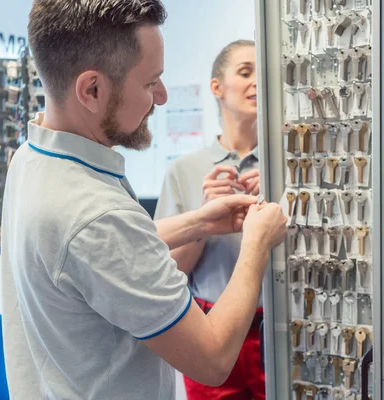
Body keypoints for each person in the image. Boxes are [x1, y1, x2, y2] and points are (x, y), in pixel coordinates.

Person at [0, 1, 287, 399]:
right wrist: (257, 241)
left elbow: (91, 254)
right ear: (92, 90)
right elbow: (214, 358)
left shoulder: (31, 158)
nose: (163, 97)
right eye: (151, 82)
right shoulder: (97, 214)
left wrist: (198, 222)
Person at [155, 40, 265, 400]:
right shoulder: (184, 171)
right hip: (210, 329)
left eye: (261, 73)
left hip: (278, 333)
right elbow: (171, 272)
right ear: (217, 87)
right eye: (245, 72)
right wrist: (201, 220)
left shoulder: (288, 167)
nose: (256, 83)